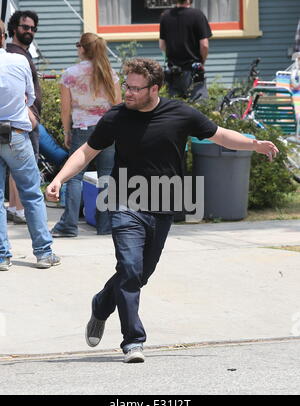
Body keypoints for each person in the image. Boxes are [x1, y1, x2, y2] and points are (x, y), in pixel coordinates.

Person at [45, 58, 279, 363]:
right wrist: (60, 179)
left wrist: (254, 144)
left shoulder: (180, 113)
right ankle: (133, 341)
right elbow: (88, 151)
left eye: (135, 88)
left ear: (154, 89)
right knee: (129, 268)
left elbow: (218, 134)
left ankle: (102, 304)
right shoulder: (117, 116)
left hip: (164, 204)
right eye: (126, 85)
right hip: (123, 201)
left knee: (139, 275)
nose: (127, 92)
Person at [0, 19, 60, 271]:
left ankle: (2, 255)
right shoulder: (18, 60)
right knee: (32, 194)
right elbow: (31, 97)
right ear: (3, 36)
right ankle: (44, 252)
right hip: (15, 133)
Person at [51, 32, 122, 238]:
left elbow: (65, 109)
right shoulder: (109, 72)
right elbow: (118, 105)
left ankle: (69, 225)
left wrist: (66, 131)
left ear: (82, 48)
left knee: (74, 177)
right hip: (108, 128)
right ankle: (105, 225)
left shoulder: (70, 74)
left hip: (82, 129)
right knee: (107, 174)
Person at [6, 10, 41, 224]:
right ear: (13, 28)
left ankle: (14, 206)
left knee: (14, 167)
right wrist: (30, 116)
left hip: (19, 122)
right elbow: (18, 91)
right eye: (25, 27)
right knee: (27, 171)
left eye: (32, 28)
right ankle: (20, 209)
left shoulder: (22, 53)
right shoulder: (14, 54)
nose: (29, 31)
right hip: (23, 121)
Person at [159, 0, 212, 102]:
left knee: (174, 109)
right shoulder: (197, 15)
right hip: (193, 70)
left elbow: (162, 45)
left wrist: (169, 58)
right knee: (198, 108)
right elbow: (204, 45)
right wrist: (202, 62)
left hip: (173, 72)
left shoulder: (165, 16)